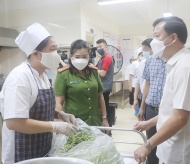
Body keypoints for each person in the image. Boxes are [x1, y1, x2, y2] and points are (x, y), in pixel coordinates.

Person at [0, 23, 78, 164]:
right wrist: (54, 126)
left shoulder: (42, 76)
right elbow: (13, 122)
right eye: (52, 50)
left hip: (41, 145)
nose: (56, 54)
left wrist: (59, 114)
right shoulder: (20, 78)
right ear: (36, 54)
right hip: (21, 150)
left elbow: (37, 108)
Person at [134, 16, 189, 164]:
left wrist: (147, 145)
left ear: (172, 38)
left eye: (157, 36)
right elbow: (173, 110)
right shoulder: (174, 64)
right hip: (168, 147)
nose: (153, 42)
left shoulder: (184, 68)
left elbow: (180, 118)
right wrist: (149, 123)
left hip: (178, 153)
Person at [54, 39, 109, 128]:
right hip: (74, 123)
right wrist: (63, 122)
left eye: (84, 56)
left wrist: (104, 118)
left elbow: (100, 96)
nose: (81, 59)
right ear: (71, 56)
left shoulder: (93, 72)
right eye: (77, 56)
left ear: (89, 56)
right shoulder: (64, 74)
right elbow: (58, 102)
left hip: (95, 122)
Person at [96, 39, 114, 127]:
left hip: (104, 88)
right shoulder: (102, 58)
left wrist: (93, 69)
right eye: (97, 47)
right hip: (102, 86)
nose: (99, 48)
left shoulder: (107, 58)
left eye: (101, 47)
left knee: (105, 110)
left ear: (105, 47)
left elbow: (102, 73)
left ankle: (108, 131)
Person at [133, 38, 153, 112]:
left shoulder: (158, 64)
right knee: (140, 117)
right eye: (143, 49)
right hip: (141, 95)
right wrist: (135, 99)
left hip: (151, 97)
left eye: (146, 49)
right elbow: (138, 81)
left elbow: (148, 83)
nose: (143, 52)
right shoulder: (142, 63)